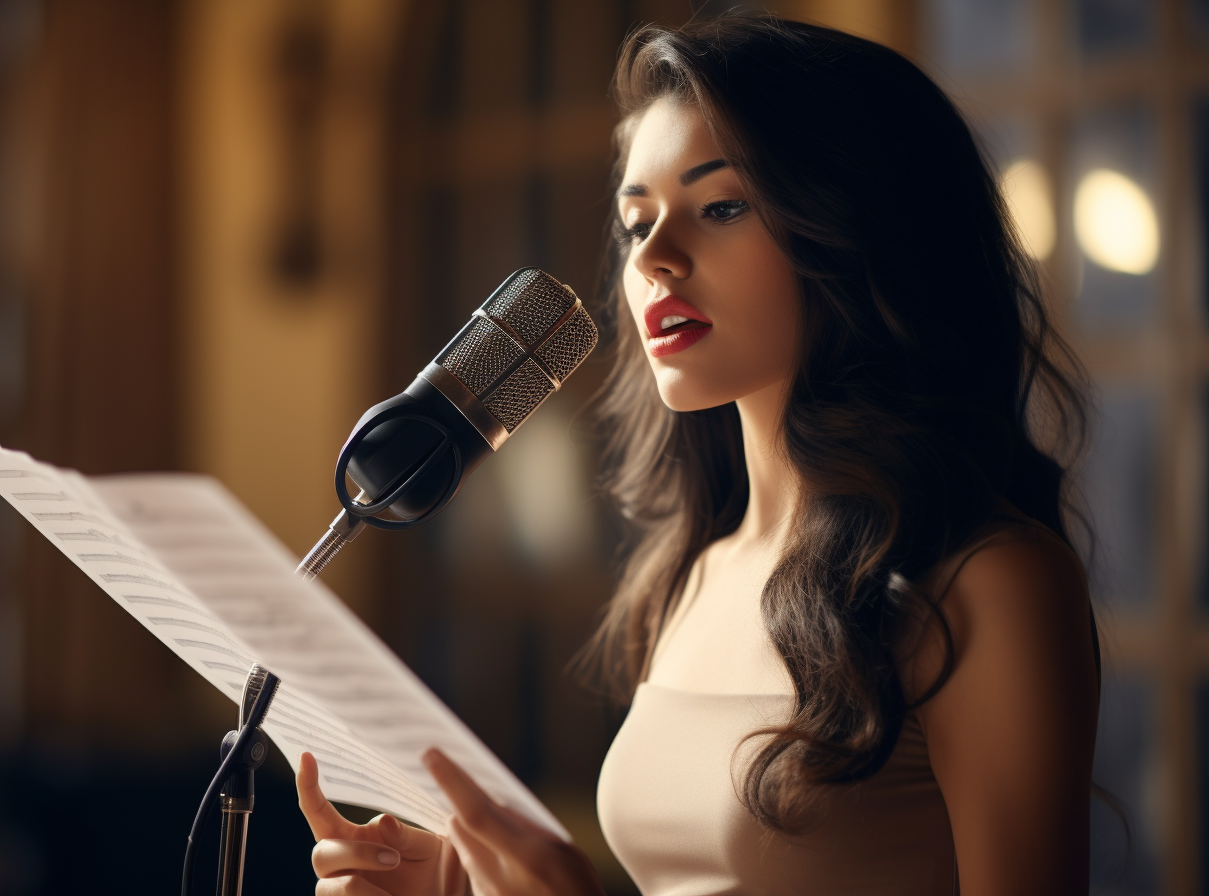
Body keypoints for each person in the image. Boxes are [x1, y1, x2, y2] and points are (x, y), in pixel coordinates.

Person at [295, 13, 1100, 896]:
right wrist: (458, 888)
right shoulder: (689, 571)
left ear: (860, 230)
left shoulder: (988, 585)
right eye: (637, 224)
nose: (656, 261)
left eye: (721, 207)